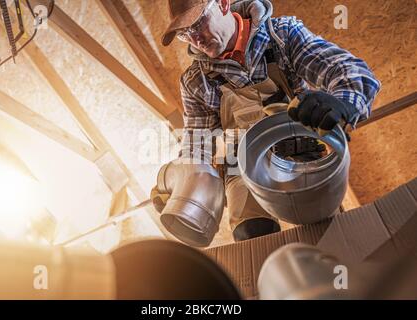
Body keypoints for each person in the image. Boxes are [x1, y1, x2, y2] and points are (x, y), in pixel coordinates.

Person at [154, 0, 381, 243]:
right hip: (240, 167)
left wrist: (343, 103)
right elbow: (198, 145)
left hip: (299, 154)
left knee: (326, 235)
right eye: (185, 34)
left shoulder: (281, 35)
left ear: (222, 4)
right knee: (253, 237)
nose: (195, 39)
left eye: (198, 23)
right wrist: (179, 178)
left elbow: (348, 71)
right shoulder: (195, 81)